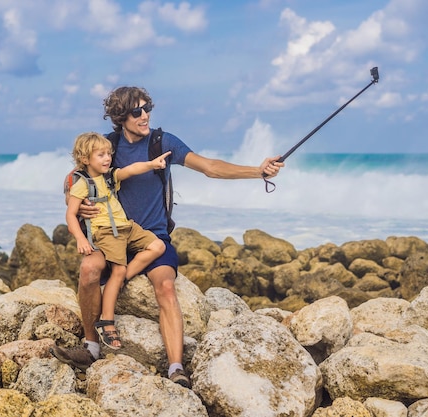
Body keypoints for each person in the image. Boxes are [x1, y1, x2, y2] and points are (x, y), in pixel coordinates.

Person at [51, 86, 284, 388]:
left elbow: (210, 167)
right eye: (137, 111)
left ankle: (176, 368)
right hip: (111, 237)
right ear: (121, 116)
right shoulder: (106, 147)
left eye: (147, 108)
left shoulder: (163, 142)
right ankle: (91, 348)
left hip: (152, 236)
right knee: (88, 269)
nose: (145, 115)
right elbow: (74, 181)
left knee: (165, 287)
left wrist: (258, 171)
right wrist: (78, 203)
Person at [66, 131, 171, 350]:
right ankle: (107, 320)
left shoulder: (109, 176)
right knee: (118, 270)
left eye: (108, 154)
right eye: (101, 155)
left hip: (126, 226)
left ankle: (118, 282)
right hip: (106, 232)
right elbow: (70, 214)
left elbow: (130, 170)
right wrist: (80, 239)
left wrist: (152, 164)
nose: (107, 159)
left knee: (157, 246)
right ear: (85, 159)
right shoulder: (82, 184)